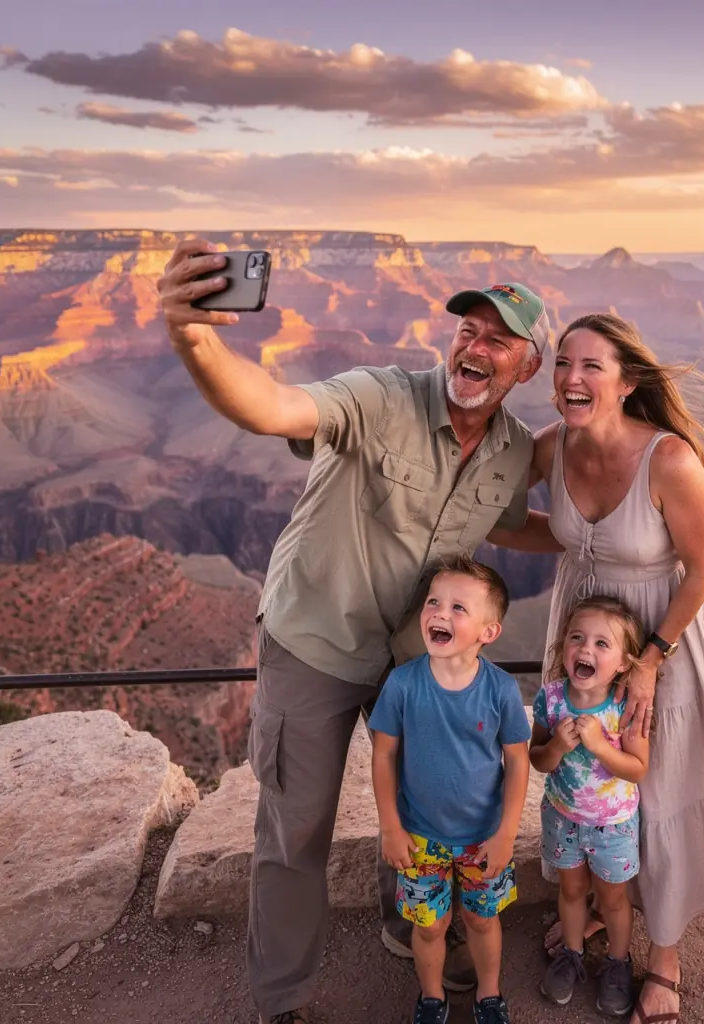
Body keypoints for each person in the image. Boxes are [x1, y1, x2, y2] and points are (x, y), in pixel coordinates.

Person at [156, 239, 550, 1024]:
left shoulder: (511, 449)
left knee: (425, 801)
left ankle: (412, 925)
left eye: (499, 339)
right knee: (295, 829)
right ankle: (282, 998)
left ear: (528, 366)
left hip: (415, 657)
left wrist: (607, 539)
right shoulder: (379, 396)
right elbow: (272, 406)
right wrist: (194, 337)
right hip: (316, 642)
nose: (476, 347)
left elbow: (507, 525)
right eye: (468, 330)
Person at [490, 312, 704, 1024]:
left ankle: (664, 953)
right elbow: (547, 528)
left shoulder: (669, 459)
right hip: (583, 631)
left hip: (658, 636)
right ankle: (594, 903)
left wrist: (649, 661)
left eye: (592, 366)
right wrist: (476, 522)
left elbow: (703, 569)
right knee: (587, 773)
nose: (572, 378)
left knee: (660, 787)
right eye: (563, 363)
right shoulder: (552, 446)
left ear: (626, 381)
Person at [371, 558, 530, 1024]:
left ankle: (489, 996)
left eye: (459, 607)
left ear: (488, 631)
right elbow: (383, 755)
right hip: (420, 837)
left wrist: (506, 833)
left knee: (482, 920)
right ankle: (432, 997)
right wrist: (390, 827)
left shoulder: (500, 690)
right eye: (434, 602)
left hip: (484, 838)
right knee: (429, 926)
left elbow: (518, 761)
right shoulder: (403, 684)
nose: (440, 612)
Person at [530, 596, 650, 1018]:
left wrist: (599, 745)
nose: (586, 648)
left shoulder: (624, 707)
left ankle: (618, 962)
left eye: (602, 643)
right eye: (577, 638)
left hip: (613, 825)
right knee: (571, 891)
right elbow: (537, 759)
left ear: (623, 663)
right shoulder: (550, 699)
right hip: (562, 818)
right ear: (562, 645)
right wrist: (557, 747)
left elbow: (638, 768)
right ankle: (572, 953)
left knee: (613, 900)